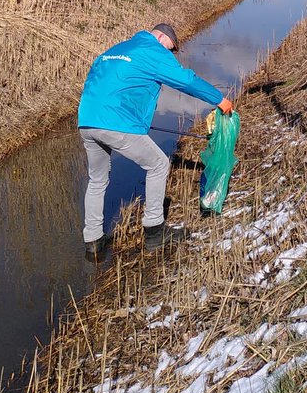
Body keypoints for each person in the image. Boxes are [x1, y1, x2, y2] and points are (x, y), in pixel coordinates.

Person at [78, 23, 233, 255]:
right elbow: (186, 80)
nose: (169, 54)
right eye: (169, 48)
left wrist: (133, 118)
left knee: (97, 179)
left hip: (87, 121)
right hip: (117, 123)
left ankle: (93, 241)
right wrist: (219, 99)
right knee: (159, 164)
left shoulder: (115, 50)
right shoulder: (153, 51)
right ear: (161, 37)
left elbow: (104, 87)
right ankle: (154, 231)